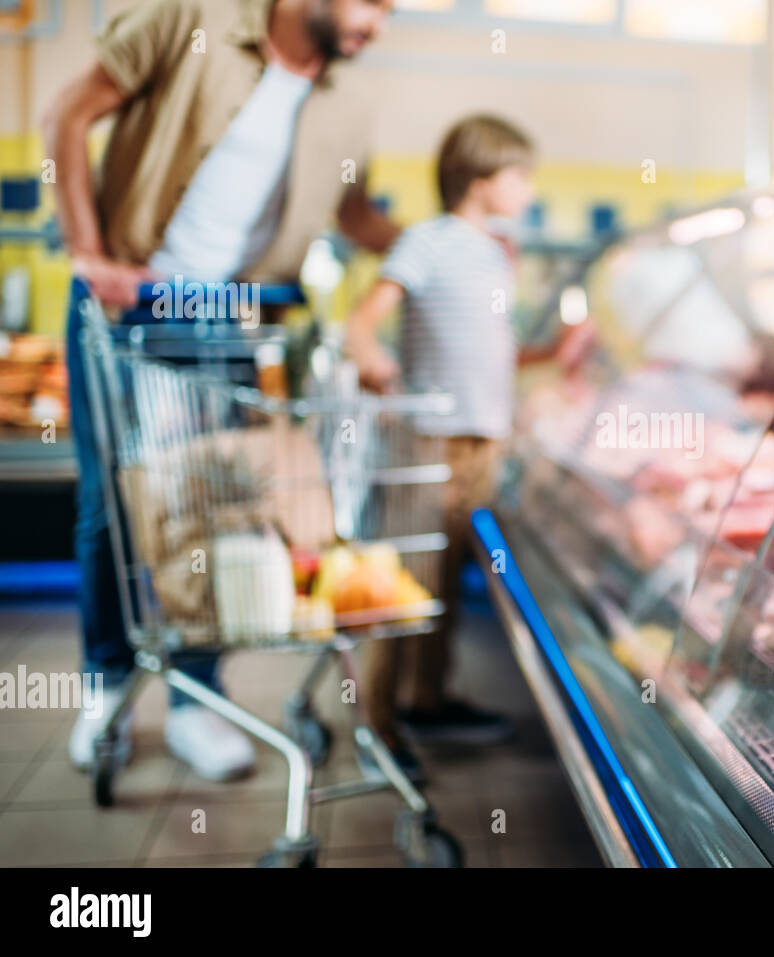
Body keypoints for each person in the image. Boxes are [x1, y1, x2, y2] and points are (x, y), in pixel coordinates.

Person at [47, 0, 400, 781]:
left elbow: (349, 212)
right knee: (111, 502)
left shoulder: (348, 100)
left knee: (209, 505)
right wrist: (87, 252)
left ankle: (196, 699)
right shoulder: (191, 17)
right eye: (373, 3)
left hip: (232, 317)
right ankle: (105, 686)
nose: (379, 24)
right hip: (127, 302)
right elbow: (68, 115)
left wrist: (433, 244)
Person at [345, 115, 586, 775]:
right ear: (479, 178)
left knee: (445, 578)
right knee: (404, 584)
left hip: (484, 441)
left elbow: (494, 348)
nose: (530, 190)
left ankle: (428, 696)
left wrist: (552, 353)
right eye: (520, 176)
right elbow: (363, 321)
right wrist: (370, 358)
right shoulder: (427, 241)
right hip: (430, 438)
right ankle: (378, 723)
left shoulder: (494, 251)